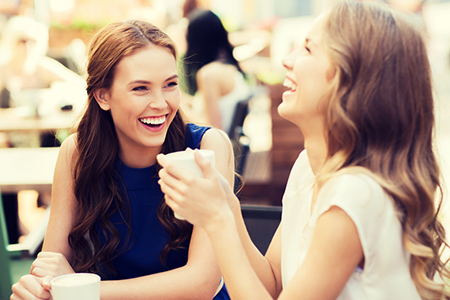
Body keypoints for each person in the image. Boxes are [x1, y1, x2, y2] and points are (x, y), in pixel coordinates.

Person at [157, 1, 450, 299]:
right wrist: (228, 205)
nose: (287, 60)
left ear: (350, 79)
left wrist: (217, 220)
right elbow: (272, 282)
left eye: (308, 49)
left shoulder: (356, 194)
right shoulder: (308, 168)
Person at [10, 20, 233, 300]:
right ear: (103, 95)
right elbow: (51, 267)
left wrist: (78, 289)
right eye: (141, 88)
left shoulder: (207, 147)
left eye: (170, 84)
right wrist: (39, 289)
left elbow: (202, 283)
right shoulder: (76, 153)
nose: (161, 103)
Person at [181, 8, 251, 134]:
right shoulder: (229, 67)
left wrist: (182, 109)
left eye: (188, 39)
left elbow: (213, 129)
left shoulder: (209, 75)